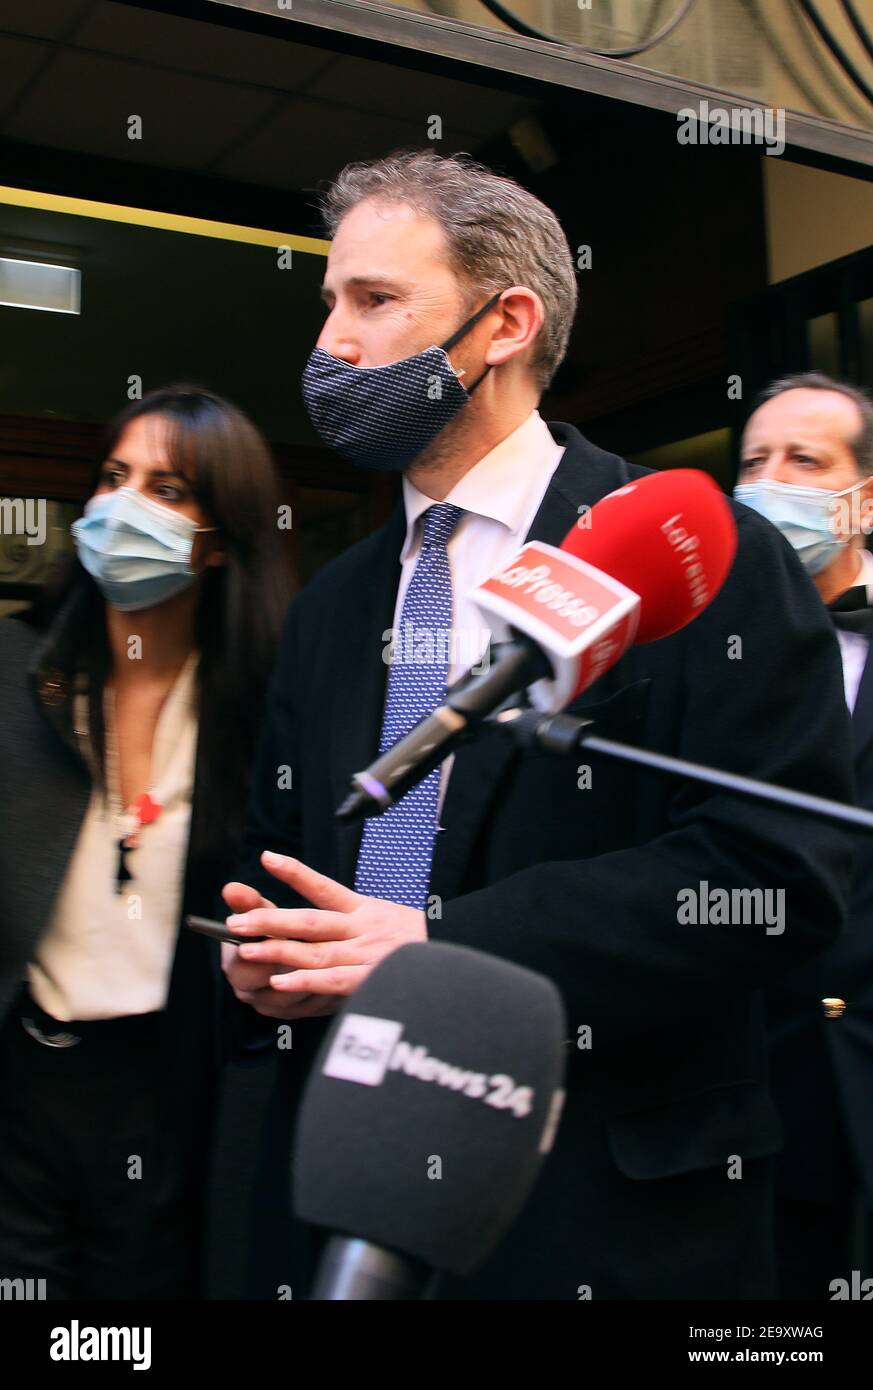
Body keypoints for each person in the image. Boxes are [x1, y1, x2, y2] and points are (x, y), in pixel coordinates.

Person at [222, 150, 855, 1300]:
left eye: (373, 300)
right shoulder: (331, 605)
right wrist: (275, 955)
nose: (331, 347)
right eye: (328, 304)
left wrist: (436, 941)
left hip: (605, 1214)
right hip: (346, 1190)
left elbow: (779, 875)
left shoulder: (696, 559)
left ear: (505, 322)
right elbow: (292, 854)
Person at [0, 385, 290, 1299]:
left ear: (218, 539)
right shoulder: (17, 672)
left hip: (165, 1094)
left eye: (167, 489)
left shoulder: (260, 714)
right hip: (20, 1077)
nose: (124, 505)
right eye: (114, 476)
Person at [735, 371, 873, 1298]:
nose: (768, 480)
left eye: (803, 460)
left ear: (864, 497)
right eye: (752, 462)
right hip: (741, 1092)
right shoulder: (698, 648)